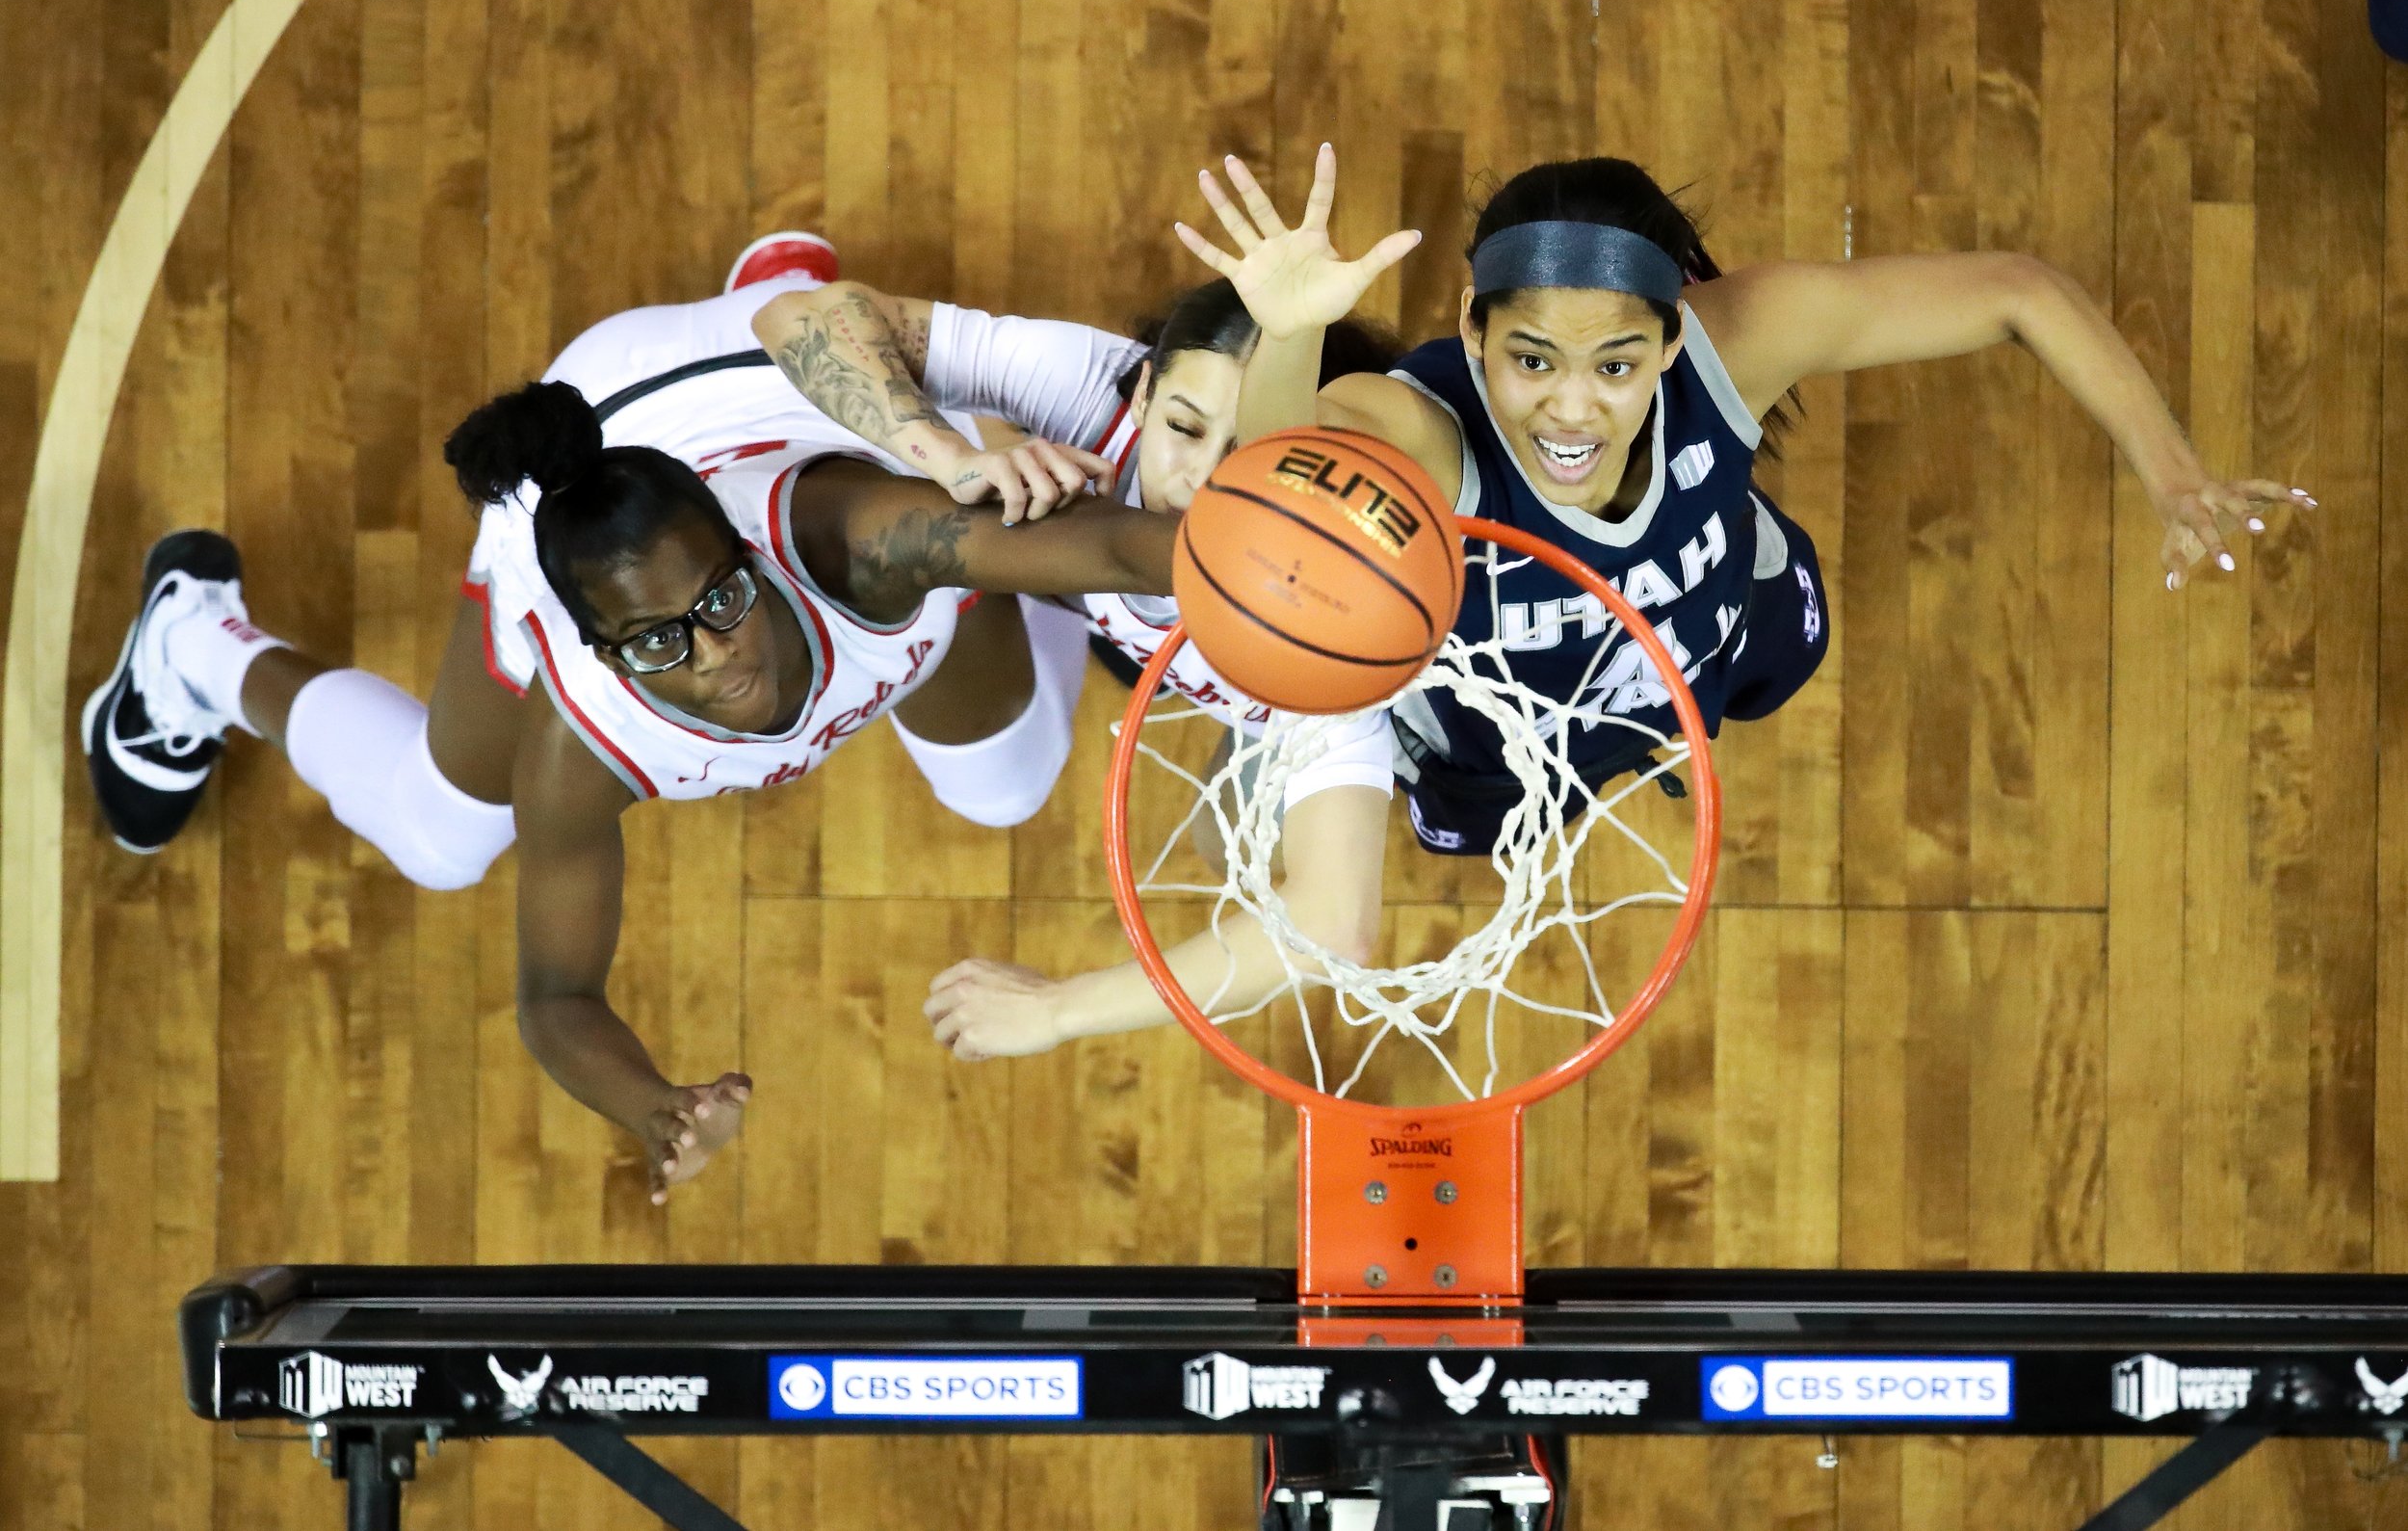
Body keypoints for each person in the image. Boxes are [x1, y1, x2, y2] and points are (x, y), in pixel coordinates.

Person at [83, 241, 1179, 1200]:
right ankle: (192, 643)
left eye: (720, 601)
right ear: (594, 652)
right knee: (440, 836)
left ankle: (793, 311)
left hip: (754, 404)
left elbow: (1114, 544)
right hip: (593, 445)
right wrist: (652, 1103)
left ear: (749, 557)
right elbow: (555, 995)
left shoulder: (863, 543)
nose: (718, 652)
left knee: (1008, 731)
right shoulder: (579, 733)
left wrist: (1279, 583)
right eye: (659, 641)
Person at [1176, 145, 2313, 856]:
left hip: (1717, 626)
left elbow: (2016, 288)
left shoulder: (1737, 342)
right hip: (1500, 730)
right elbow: (1289, 475)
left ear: (1674, 335)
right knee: (1487, 830)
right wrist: (1291, 334)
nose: (1571, 408)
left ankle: (1699, 681)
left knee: (1775, 666)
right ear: (1472, 329)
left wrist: (2170, 467)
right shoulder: (1426, 427)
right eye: (1529, 359)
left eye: (1615, 364)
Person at [746, 277, 1405, 1061]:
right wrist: (954, 459)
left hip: (1267, 676)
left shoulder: (1343, 634)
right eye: (1185, 428)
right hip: (1121, 602)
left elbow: (1332, 925)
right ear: (1145, 390)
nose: (1201, 480)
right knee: (982, 506)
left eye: (1251, 453)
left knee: (1220, 842)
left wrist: (1059, 1009)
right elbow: (793, 313)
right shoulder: (1091, 389)